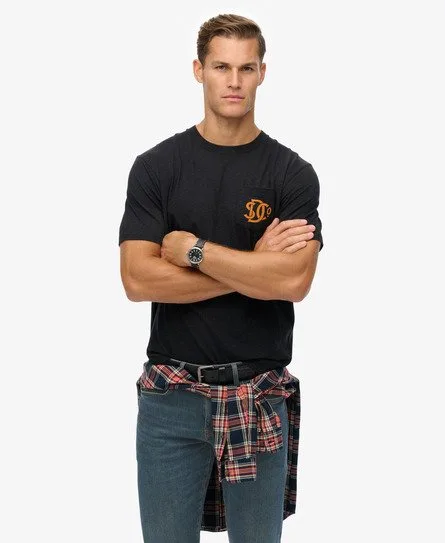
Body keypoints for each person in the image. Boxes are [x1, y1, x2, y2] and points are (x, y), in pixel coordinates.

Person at [118, 13, 324, 543]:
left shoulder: (291, 174)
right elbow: (137, 279)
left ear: (262, 73)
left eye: (246, 68)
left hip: (258, 396)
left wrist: (195, 253)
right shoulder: (157, 167)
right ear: (198, 70)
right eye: (221, 67)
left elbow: (295, 281)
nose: (234, 81)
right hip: (171, 398)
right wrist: (255, 265)